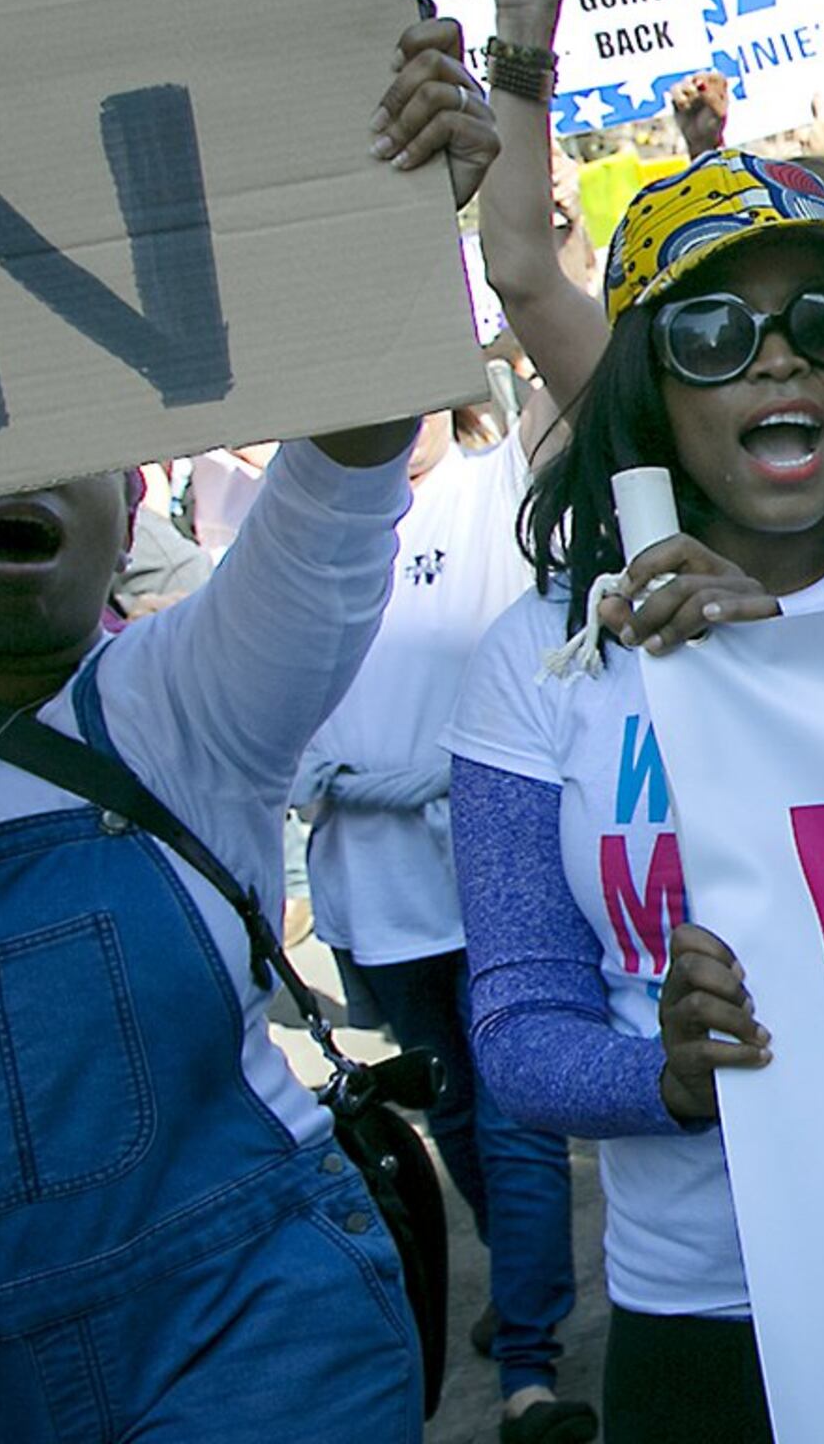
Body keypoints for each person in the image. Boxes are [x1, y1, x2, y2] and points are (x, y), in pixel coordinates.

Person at [0, 19, 493, 1434]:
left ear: (132, 510)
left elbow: (344, 477)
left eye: (72, 448)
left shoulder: (190, 704)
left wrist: (394, 211)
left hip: (241, 1341)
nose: (29, 479)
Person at [448, 152, 824, 1444]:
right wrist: (667, 1080)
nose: (779, 365)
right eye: (714, 335)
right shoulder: (541, 659)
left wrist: (786, 684)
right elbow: (518, 1026)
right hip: (705, 1316)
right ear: (652, 390)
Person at [292, 403, 588, 1442]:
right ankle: (519, 1279)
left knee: (518, 1121)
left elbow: (567, 392)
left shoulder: (500, 483)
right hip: (376, 895)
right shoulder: (308, 525)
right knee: (454, 1112)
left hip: (499, 870)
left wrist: (531, 239)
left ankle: (529, 1368)